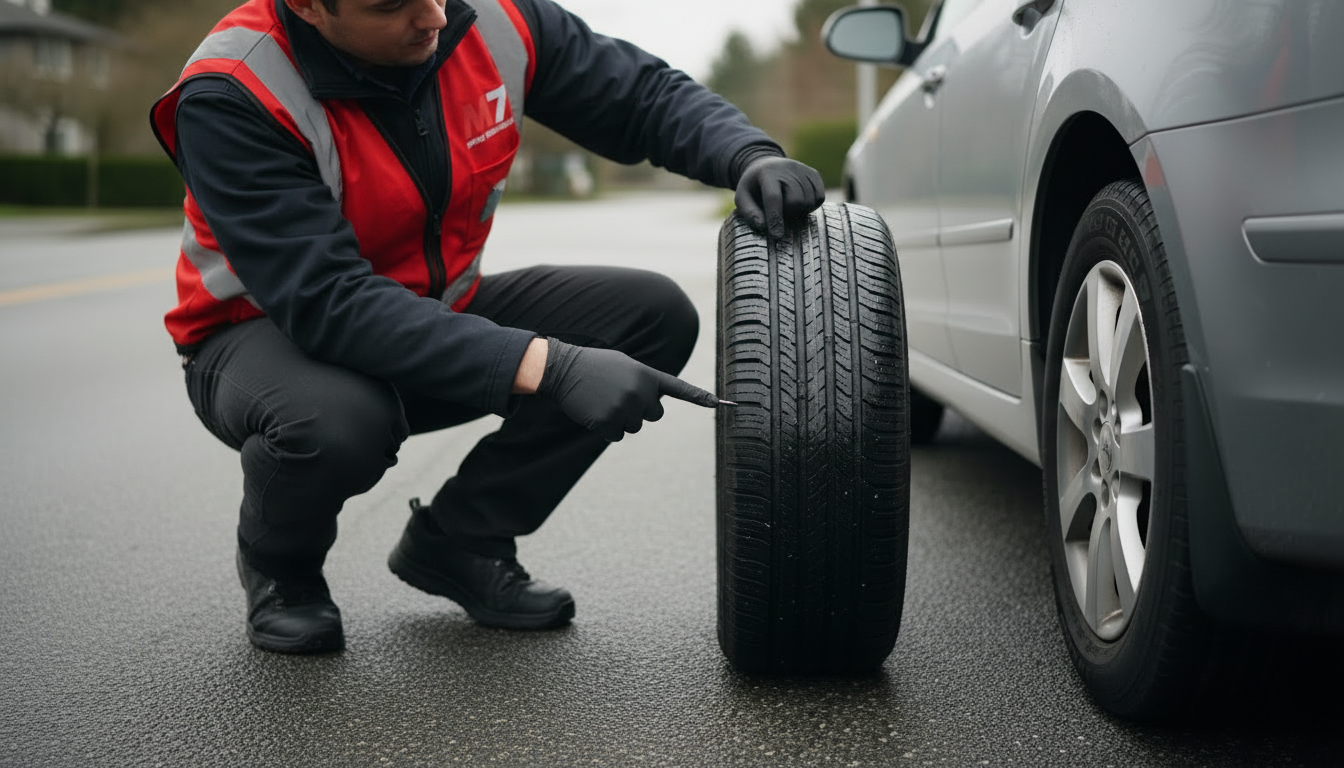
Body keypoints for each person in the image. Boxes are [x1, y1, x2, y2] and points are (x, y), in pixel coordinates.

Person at [150, 0, 825, 654]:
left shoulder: (498, 20)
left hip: (437, 307)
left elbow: (638, 96)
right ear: (306, 7)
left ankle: (461, 541)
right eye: (392, 5)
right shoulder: (234, 91)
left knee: (650, 315)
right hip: (263, 337)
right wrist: (550, 365)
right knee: (336, 423)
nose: (435, 17)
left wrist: (747, 155)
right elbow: (328, 301)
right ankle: (282, 571)